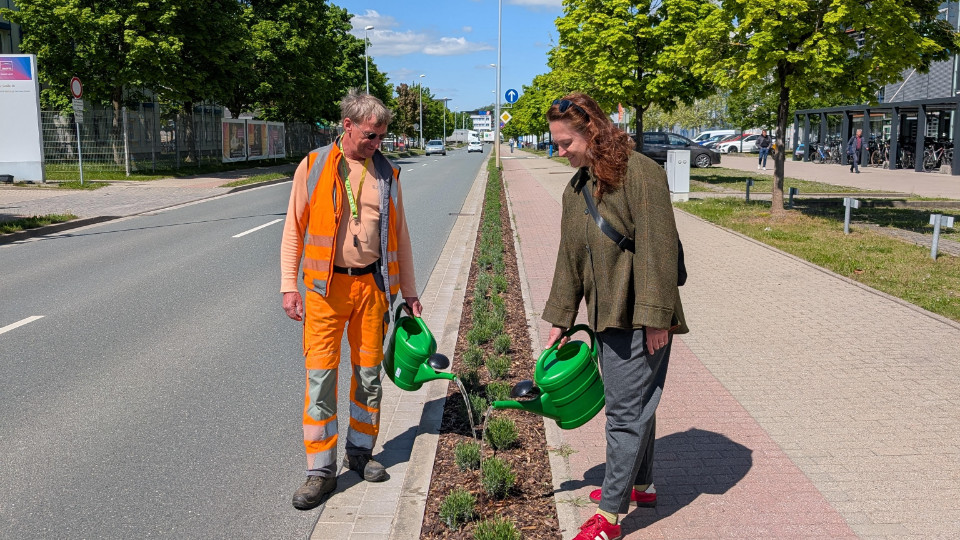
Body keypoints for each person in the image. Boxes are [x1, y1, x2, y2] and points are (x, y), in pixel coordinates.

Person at [543, 93, 688, 540]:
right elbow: (569, 257)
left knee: (624, 413)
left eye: (566, 142)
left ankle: (608, 516)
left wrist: (657, 317)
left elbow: (660, 247)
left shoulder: (640, 173)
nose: (559, 151)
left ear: (591, 132)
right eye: (555, 143)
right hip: (605, 312)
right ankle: (641, 485)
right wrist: (562, 317)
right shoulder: (577, 187)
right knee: (636, 403)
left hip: (640, 315)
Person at [280, 89, 422, 511]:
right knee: (321, 379)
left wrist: (409, 291)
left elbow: (400, 237)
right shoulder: (314, 166)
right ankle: (320, 471)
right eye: (370, 135)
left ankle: (360, 453)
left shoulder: (387, 173)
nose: (377, 142)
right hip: (325, 291)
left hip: (372, 289)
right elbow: (294, 228)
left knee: (369, 377)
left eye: (381, 136)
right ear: (348, 126)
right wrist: (289, 285)